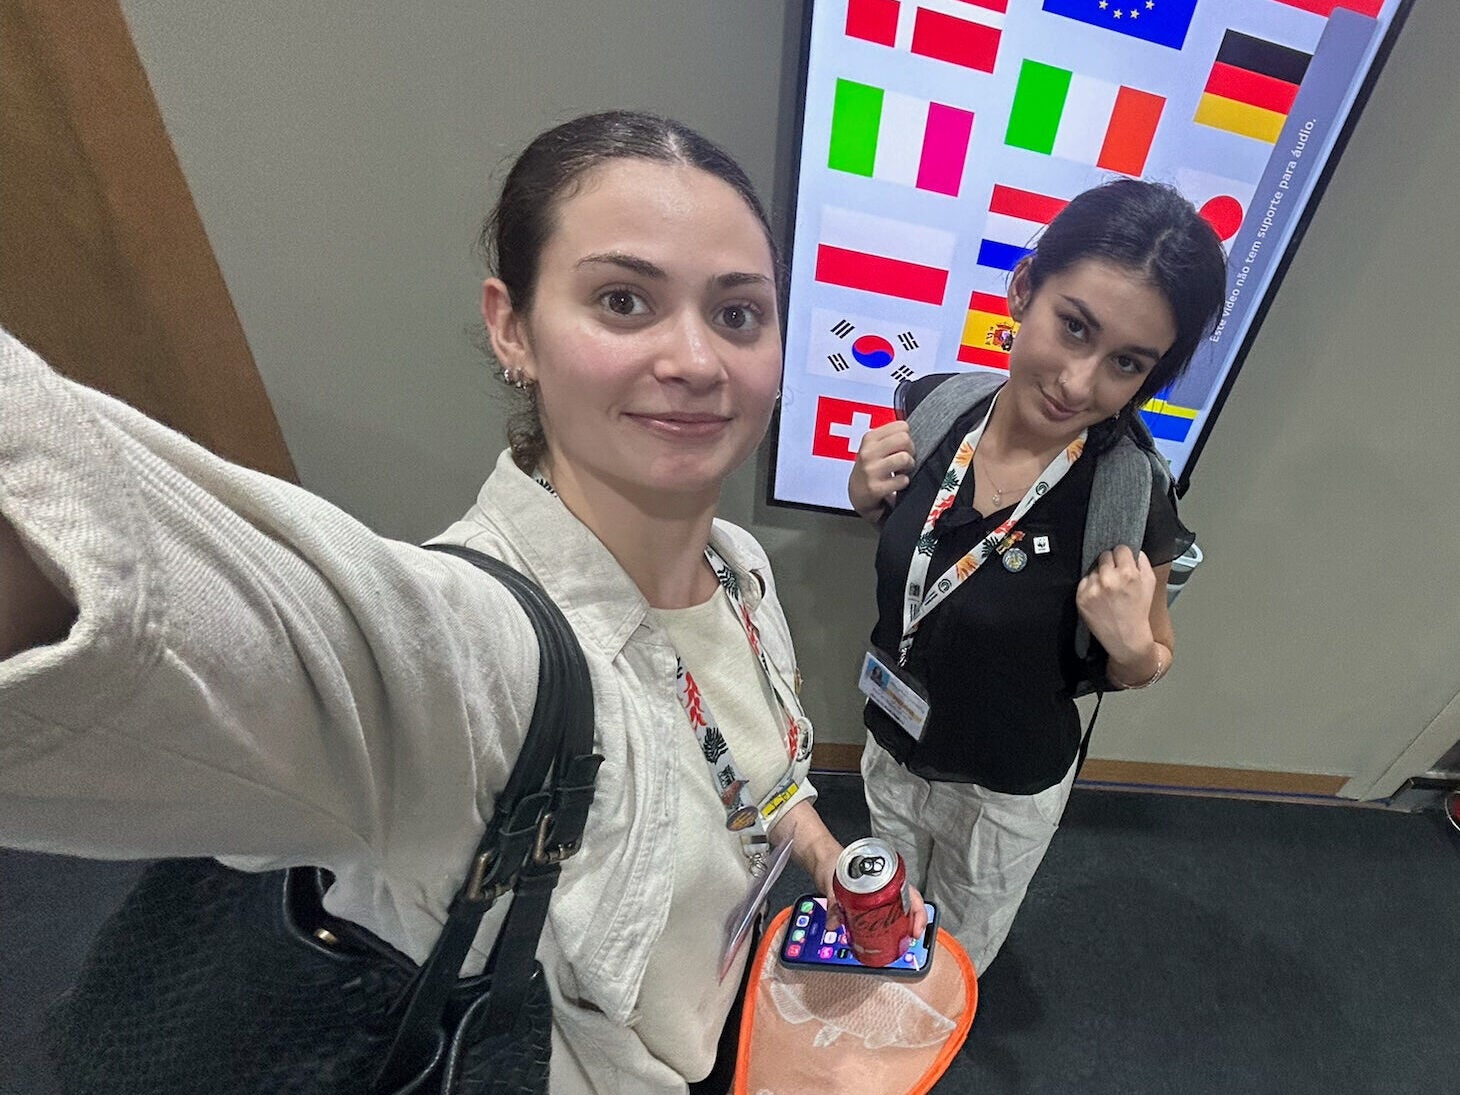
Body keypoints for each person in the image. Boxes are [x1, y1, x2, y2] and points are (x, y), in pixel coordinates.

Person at [0, 110, 921, 1095]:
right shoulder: (477, 652)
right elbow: (164, 598)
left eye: (737, 314)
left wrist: (820, 852)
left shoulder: (740, 568)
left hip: (715, 1031)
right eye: (623, 301)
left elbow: (756, 777)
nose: (697, 361)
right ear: (511, 328)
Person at [846, 178, 1226, 975]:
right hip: (892, 739)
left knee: (954, 954)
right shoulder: (935, 408)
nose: (1079, 383)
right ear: (1024, 289)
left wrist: (1131, 646)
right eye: (1074, 326)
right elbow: (925, 557)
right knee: (884, 925)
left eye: (1126, 362)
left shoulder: (1129, 493)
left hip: (1004, 786)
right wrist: (865, 497)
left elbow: (1152, 656)